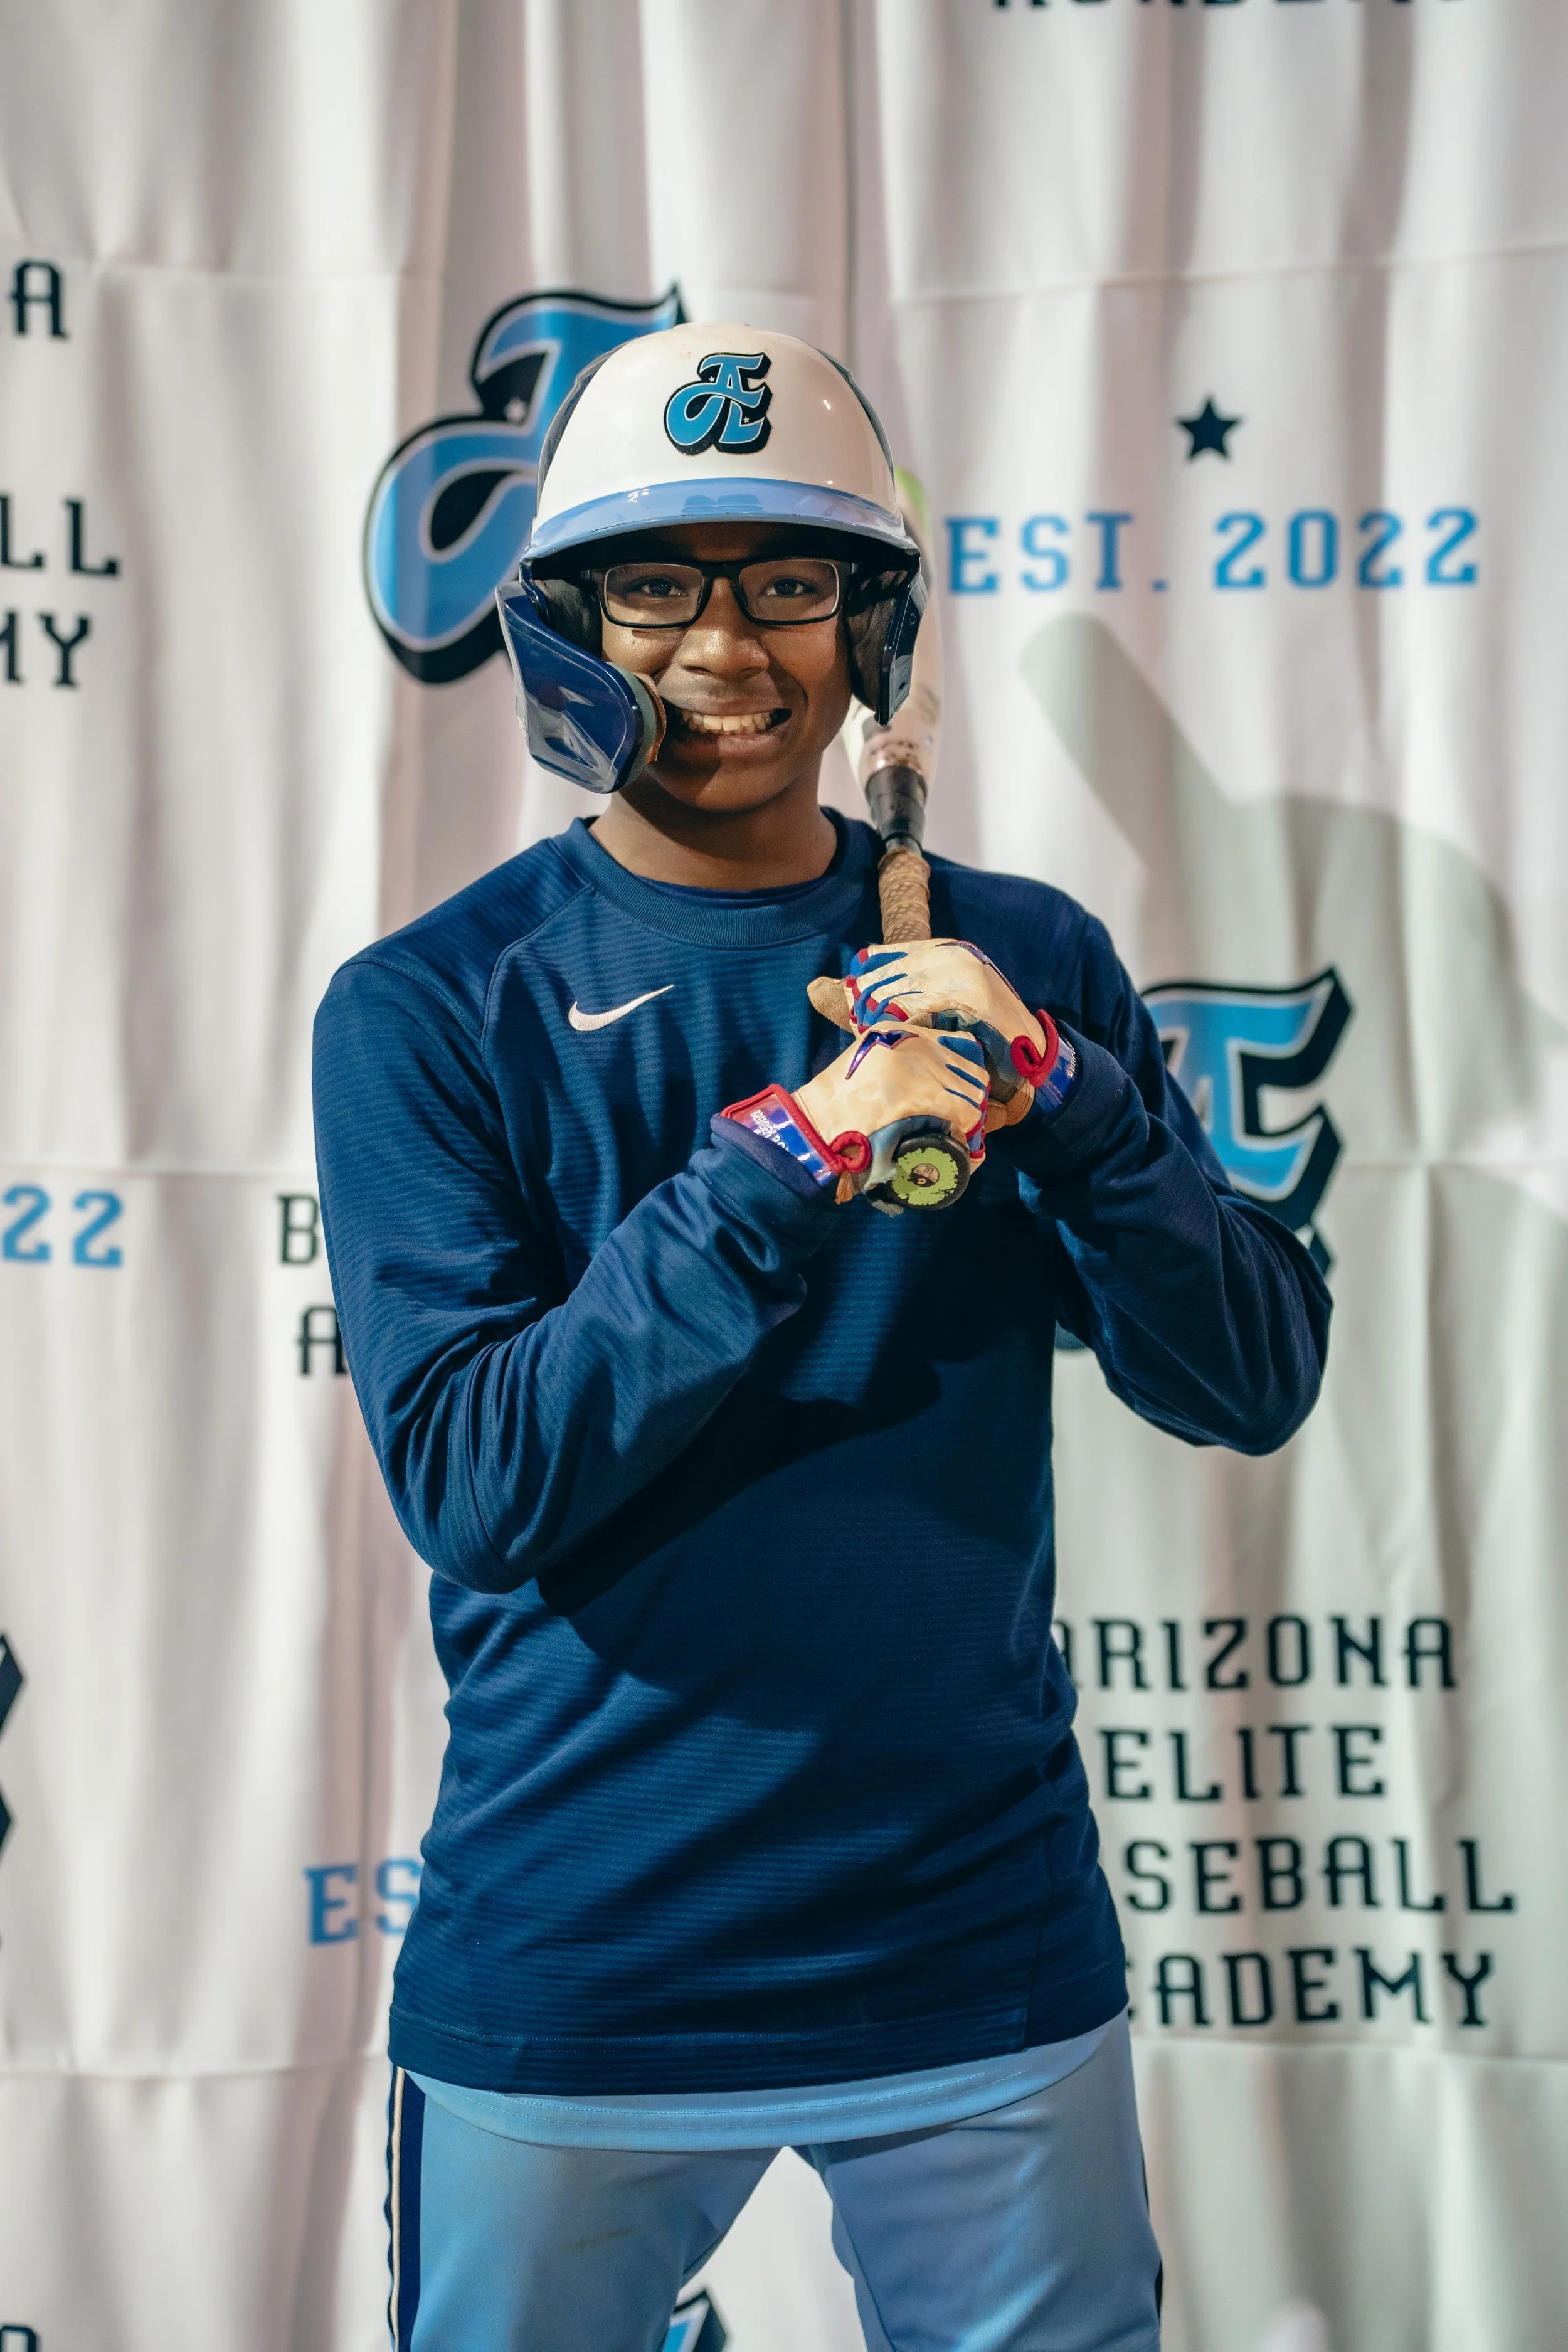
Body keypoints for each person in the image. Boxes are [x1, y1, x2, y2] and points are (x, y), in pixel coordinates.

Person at [314, 324, 1330, 2352]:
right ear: (566, 626)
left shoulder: (1021, 957)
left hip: (970, 1939)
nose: (724, 646)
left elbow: (1246, 1374)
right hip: (583, 1952)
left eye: (786, 580)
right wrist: (789, 1155)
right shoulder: (430, 1004)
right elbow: (483, 1481)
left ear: (871, 627)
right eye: (657, 584)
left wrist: (1071, 1099)